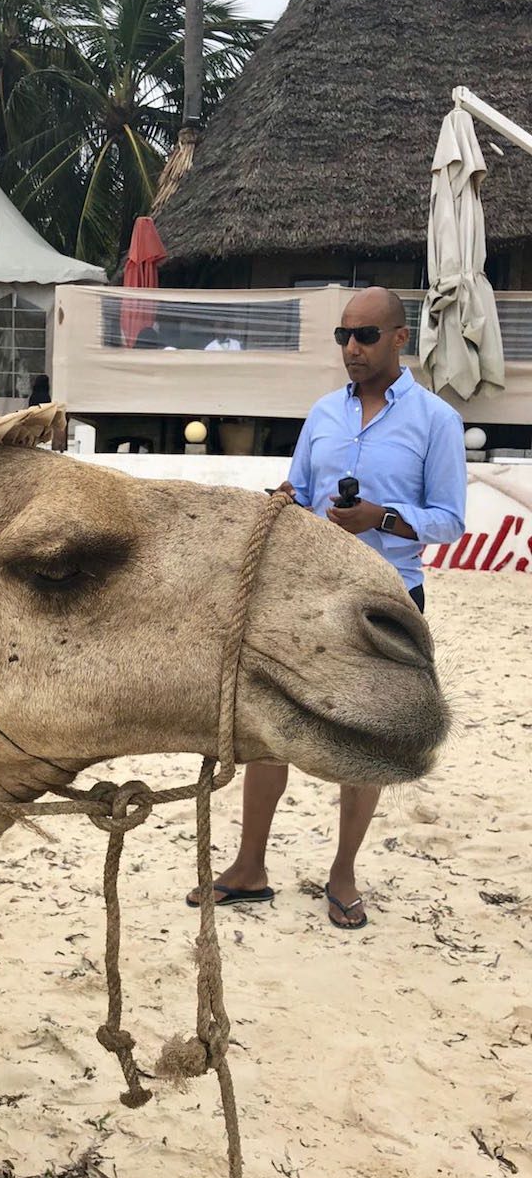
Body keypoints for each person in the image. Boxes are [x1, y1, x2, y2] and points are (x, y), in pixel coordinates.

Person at [188, 286, 467, 931]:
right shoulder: (322, 413)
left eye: (365, 336)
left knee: (364, 738)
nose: (351, 348)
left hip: (387, 597)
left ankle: (342, 874)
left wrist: (383, 518)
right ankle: (249, 866)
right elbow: (305, 492)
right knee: (268, 725)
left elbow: (450, 522)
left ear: (401, 338)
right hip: (307, 591)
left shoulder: (436, 421)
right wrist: (288, 497)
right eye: (342, 336)